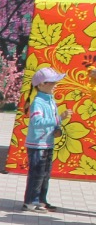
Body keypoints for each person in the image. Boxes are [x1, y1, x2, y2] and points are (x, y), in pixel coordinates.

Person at [23, 67, 69, 212]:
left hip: (48, 142)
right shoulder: (38, 102)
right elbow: (36, 122)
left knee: (45, 174)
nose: (55, 85)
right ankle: (31, 201)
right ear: (41, 85)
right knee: (36, 173)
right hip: (37, 144)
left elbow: (53, 121)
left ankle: (41, 200)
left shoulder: (50, 100)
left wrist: (57, 128)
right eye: (52, 83)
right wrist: (59, 118)